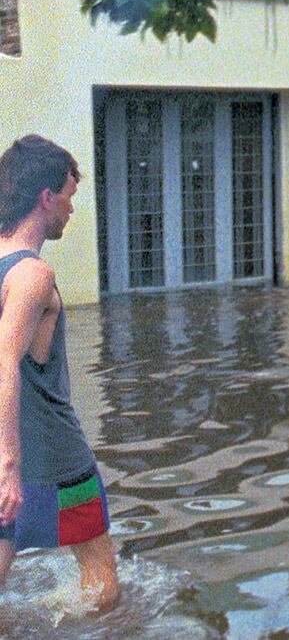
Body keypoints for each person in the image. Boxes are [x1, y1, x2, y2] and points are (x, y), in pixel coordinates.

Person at [0, 135, 120, 612]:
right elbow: (4, 360)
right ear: (46, 198)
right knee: (102, 578)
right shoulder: (32, 274)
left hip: (5, 454)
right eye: (69, 198)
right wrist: (9, 465)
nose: (71, 211)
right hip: (56, 460)